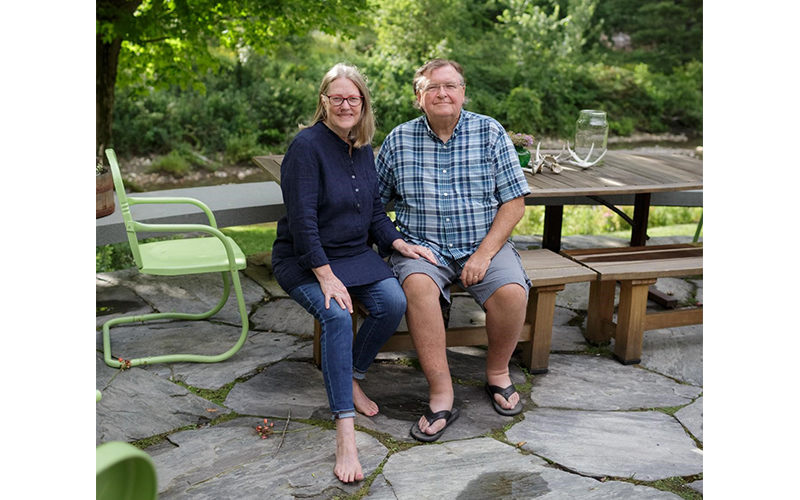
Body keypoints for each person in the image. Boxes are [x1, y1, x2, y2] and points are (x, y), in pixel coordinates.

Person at [271, 63, 435, 482]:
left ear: (363, 104)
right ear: (323, 101)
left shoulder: (360, 145)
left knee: (393, 301)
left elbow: (375, 213)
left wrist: (398, 243)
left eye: (353, 98)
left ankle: (351, 375)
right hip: (305, 257)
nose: (346, 105)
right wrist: (325, 275)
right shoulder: (305, 148)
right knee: (336, 314)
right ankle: (345, 433)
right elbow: (303, 221)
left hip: (352, 253)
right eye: (337, 97)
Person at [375, 59, 532, 442]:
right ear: (418, 97)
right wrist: (399, 243)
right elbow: (374, 206)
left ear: (463, 92)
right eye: (432, 87)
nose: (441, 93)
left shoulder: (490, 133)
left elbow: (514, 204)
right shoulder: (398, 140)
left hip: (483, 244)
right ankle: (441, 392)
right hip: (422, 248)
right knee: (419, 289)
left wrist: (483, 255)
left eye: (450, 86)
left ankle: (496, 373)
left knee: (512, 292)